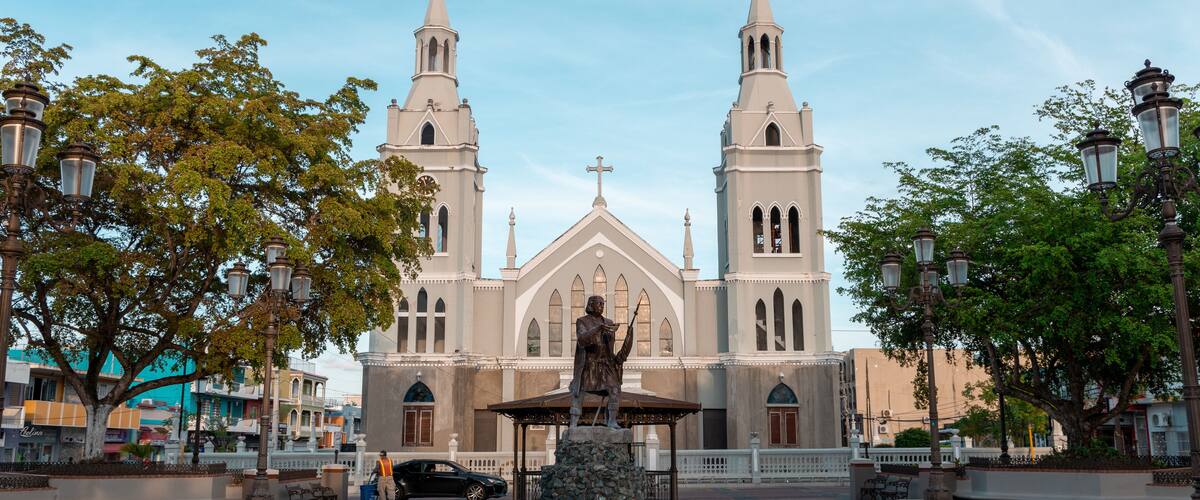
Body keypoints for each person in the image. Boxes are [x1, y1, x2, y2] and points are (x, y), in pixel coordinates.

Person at [569, 295, 638, 429]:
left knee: (615, 389)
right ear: (591, 305)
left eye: (603, 303)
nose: (601, 305)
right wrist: (598, 328)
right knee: (579, 393)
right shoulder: (582, 321)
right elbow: (582, 340)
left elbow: (609, 347)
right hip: (588, 365)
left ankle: (611, 421)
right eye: (598, 303)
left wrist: (624, 343)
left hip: (605, 364)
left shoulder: (608, 322)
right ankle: (573, 424)